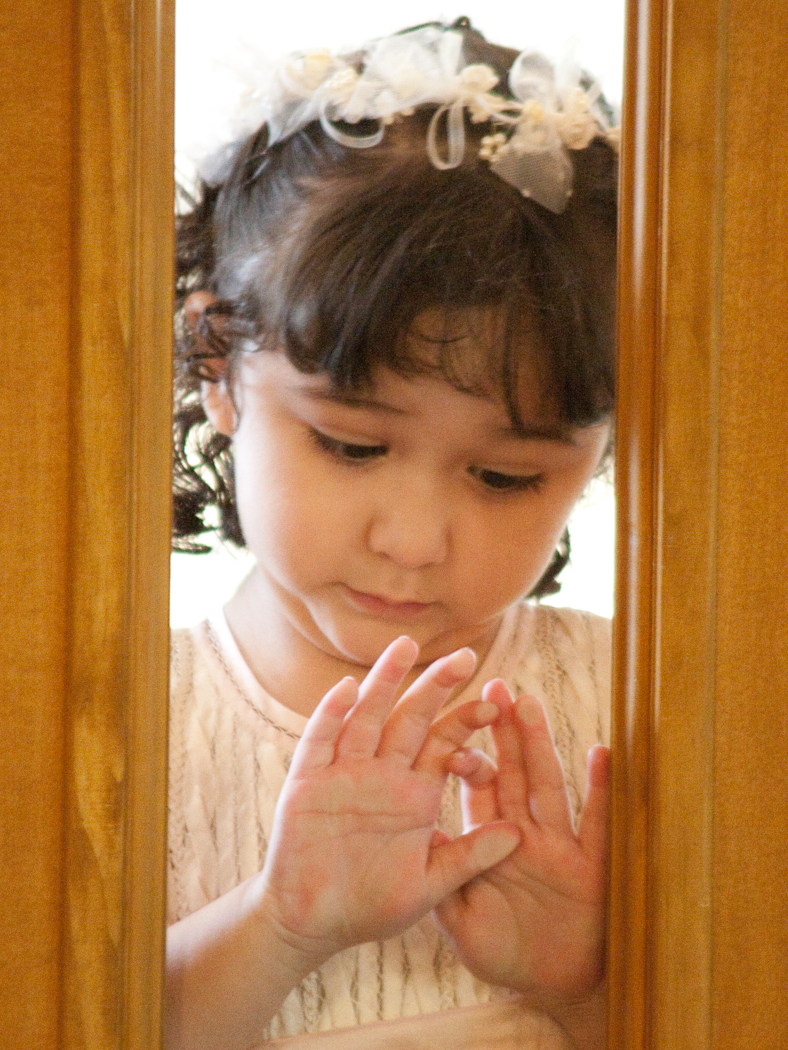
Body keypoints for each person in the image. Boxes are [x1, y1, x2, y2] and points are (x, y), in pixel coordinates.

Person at [166, 17, 618, 1050]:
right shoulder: (117, 717)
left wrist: (586, 988)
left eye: (503, 476)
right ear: (217, 364)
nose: (413, 542)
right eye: (352, 446)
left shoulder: (648, 702)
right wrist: (277, 929)